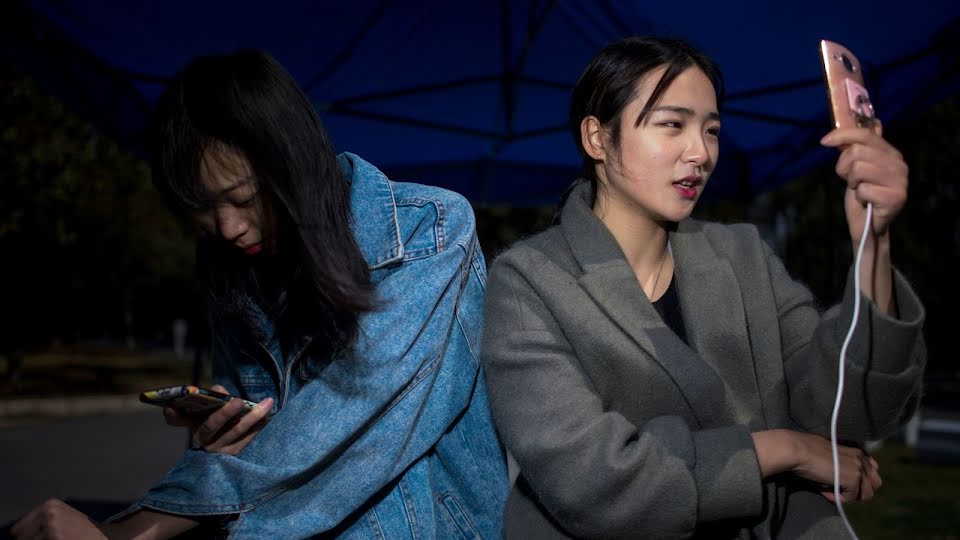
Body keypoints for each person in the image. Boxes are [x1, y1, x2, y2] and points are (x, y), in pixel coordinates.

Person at [12, 49, 507, 539]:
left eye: (244, 197)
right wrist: (221, 435)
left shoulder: (430, 231)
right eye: (201, 210)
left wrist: (135, 530)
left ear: (295, 159)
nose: (226, 227)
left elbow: (349, 424)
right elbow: (255, 447)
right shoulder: (232, 267)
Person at [480, 36, 925, 538]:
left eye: (711, 130)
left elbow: (846, 411)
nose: (701, 153)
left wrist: (873, 242)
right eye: (673, 124)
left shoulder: (743, 256)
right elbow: (593, 482)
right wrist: (785, 450)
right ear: (597, 138)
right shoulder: (530, 282)